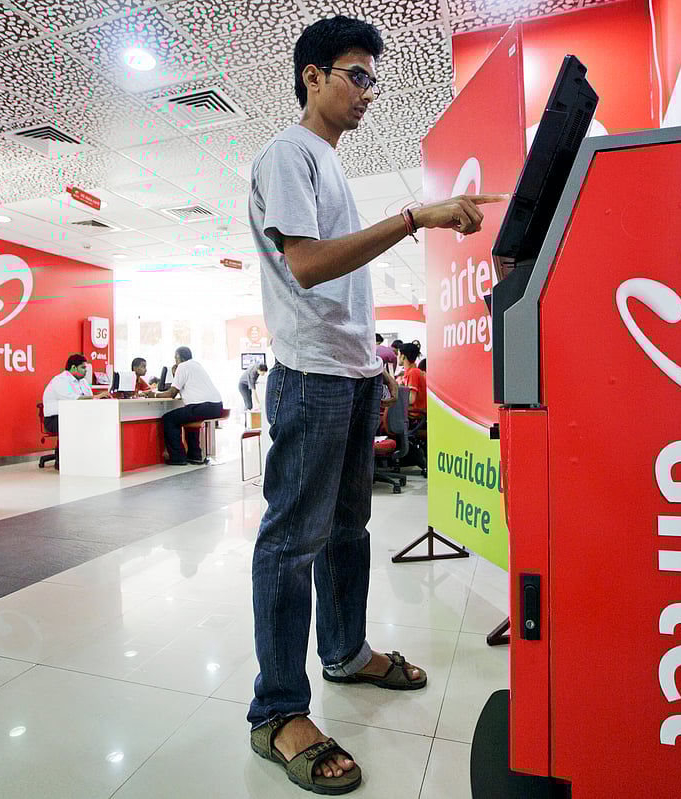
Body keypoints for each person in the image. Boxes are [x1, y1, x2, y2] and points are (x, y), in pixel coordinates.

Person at [245, 15, 509, 794]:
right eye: (356, 75)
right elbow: (307, 266)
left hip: (351, 374)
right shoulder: (288, 154)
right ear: (313, 76)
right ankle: (278, 710)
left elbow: (342, 280)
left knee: (349, 528)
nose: (368, 92)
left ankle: (346, 652)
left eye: (373, 80)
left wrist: (375, 368)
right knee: (291, 542)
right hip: (309, 376)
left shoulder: (329, 165)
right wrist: (416, 216)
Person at [146, 346, 224, 465]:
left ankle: (178, 457)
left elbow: (172, 393)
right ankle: (194, 455)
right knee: (189, 415)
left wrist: (154, 395)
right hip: (217, 406)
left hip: (202, 407)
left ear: (180, 358)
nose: (175, 361)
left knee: (168, 419)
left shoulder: (182, 367)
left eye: (175, 358)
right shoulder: (197, 365)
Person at [41, 354, 109, 465]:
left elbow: (89, 397)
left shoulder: (82, 382)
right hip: (54, 419)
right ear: (73, 368)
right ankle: (64, 460)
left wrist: (99, 397)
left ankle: (89, 457)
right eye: (83, 368)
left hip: (74, 416)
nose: (86, 371)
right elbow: (74, 399)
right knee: (81, 423)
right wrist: (97, 396)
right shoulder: (61, 381)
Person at [397, 343, 426, 418]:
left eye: (398, 354)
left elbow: (411, 399)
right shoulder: (411, 372)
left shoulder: (413, 373)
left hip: (415, 414)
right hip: (413, 412)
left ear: (403, 357)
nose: (397, 357)